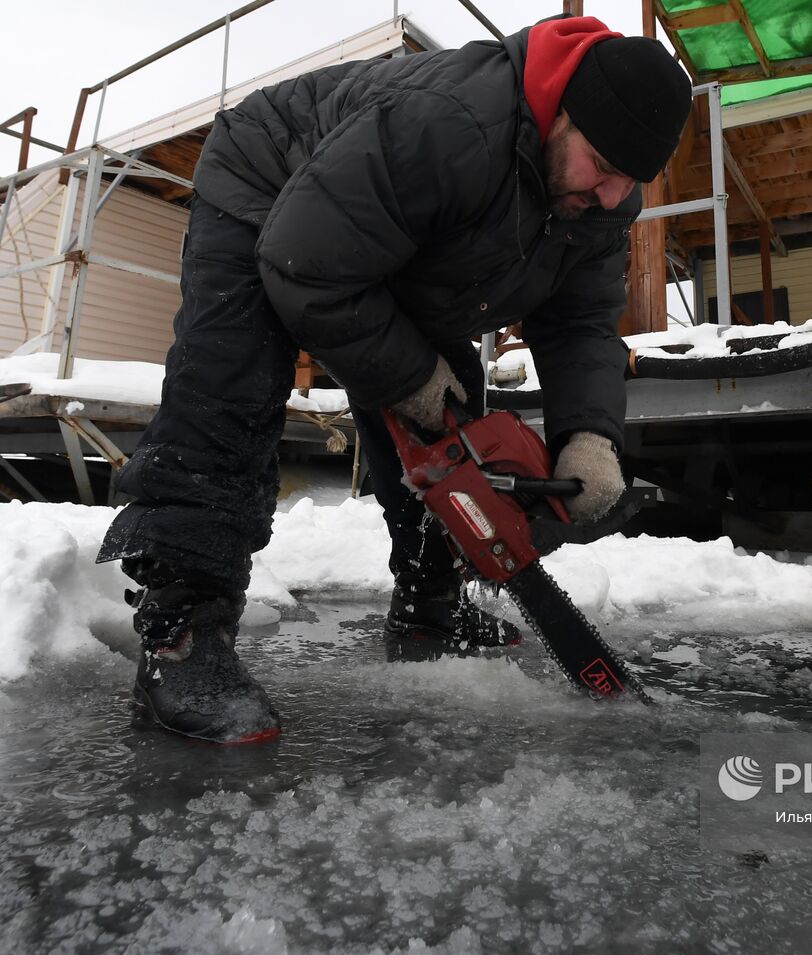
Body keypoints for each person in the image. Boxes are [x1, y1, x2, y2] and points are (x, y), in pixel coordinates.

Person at [95, 15, 694, 745]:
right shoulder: (453, 124)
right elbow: (303, 259)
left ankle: (429, 602)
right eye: (601, 165)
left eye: (629, 181)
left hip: (385, 236)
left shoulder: (601, 196)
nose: (610, 195)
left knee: (452, 419)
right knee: (234, 374)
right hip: (268, 181)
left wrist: (589, 434)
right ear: (558, 114)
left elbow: (579, 324)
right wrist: (407, 372)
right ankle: (180, 639)